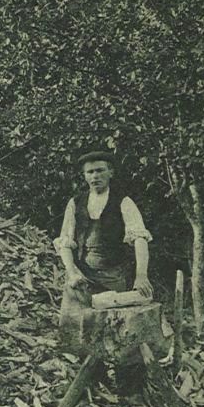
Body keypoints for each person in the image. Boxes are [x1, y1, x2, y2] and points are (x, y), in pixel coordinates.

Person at [54, 143, 153, 394]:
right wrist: (72, 271)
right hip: (82, 278)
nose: (95, 177)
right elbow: (65, 242)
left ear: (110, 173)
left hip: (114, 277)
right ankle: (93, 385)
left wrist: (141, 275)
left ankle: (130, 391)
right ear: (84, 176)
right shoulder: (74, 204)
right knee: (80, 331)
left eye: (100, 171)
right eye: (90, 172)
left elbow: (139, 238)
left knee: (124, 334)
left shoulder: (123, 202)